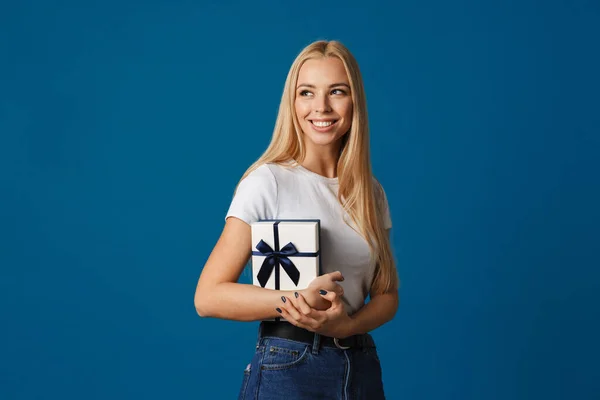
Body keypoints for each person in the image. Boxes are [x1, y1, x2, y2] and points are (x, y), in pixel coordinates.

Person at [194, 40, 399, 399]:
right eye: (307, 92)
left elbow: (386, 295)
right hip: (290, 366)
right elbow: (208, 296)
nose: (321, 107)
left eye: (337, 91)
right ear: (293, 102)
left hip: (360, 367)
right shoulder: (267, 181)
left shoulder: (371, 192)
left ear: (355, 103)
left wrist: (348, 324)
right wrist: (296, 300)